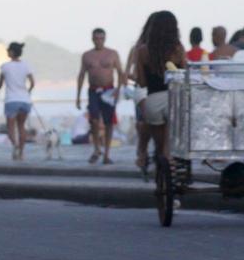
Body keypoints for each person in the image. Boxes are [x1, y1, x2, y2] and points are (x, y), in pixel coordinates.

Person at [135, 10, 186, 158]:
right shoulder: (178, 48)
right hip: (173, 100)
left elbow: (142, 82)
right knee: (169, 147)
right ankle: (169, 161)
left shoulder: (142, 51)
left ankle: (161, 171)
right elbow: (184, 75)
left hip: (153, 101)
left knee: (159, 146)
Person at [75, 28, 126, 164]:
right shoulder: (87, 55)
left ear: (105, 39)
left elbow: (121, 73)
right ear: (92, 39)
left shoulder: (112, 54)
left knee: (109, 123)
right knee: (94, 120)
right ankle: (97, 148)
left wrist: (118, 90)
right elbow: (81, 75)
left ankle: (106, 154)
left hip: (109, 91)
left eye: (101, 38)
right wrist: (78, 97)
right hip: (93, 91)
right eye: (96, 38)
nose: (99, 41)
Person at [0, 42, 34, 160]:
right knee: (21, 126)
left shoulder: (5, 66)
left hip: (11, 100)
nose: (7, 52)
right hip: (25, 100)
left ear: (12, 52)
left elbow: (1, 82)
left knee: (10, 128)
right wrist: (28, 92)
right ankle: (21, 153)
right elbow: (32, 83)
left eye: (8, 50)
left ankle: (15, 145)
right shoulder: (26, 66)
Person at [125, 13, 155, 168]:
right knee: (143, 121)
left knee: (147, 121)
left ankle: (144, 151)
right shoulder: (136, 49)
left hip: (153, 89)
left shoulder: (159, 48)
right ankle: (142, 151)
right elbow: (127, 73)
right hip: (142, 88)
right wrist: (139, 76)